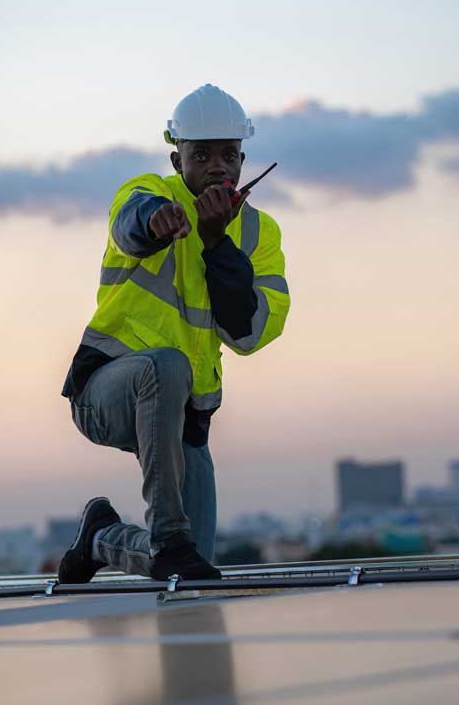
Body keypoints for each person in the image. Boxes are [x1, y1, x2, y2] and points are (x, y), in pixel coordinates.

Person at [58, 85, 290, 583]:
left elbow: (250, 333)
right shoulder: (151, 193)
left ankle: (103, 540)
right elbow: (129, 223)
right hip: (107, 393)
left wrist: (216, 245)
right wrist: (154, 223)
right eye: (200, 155)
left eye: (228, 155)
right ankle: (167, 533)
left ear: (243, 160)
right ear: (176, 157)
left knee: (189, 572)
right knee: (166, 365)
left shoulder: (258, 234)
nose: (217, 167)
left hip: (183, 422)